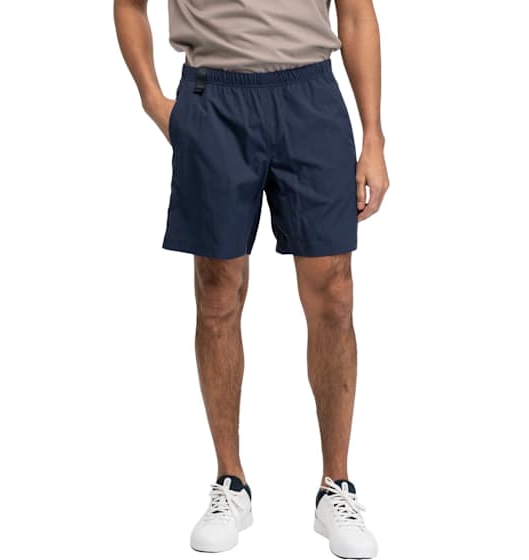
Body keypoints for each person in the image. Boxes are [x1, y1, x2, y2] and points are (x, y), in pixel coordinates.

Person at [114, 0, 390, 556]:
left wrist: (373, 137)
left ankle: (335, 486)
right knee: (217, 292)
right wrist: (152, 99)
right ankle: (230, 482)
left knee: (335, 292)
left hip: (310, 95)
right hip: (213, 99)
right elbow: (129, 5)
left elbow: (357, 14)